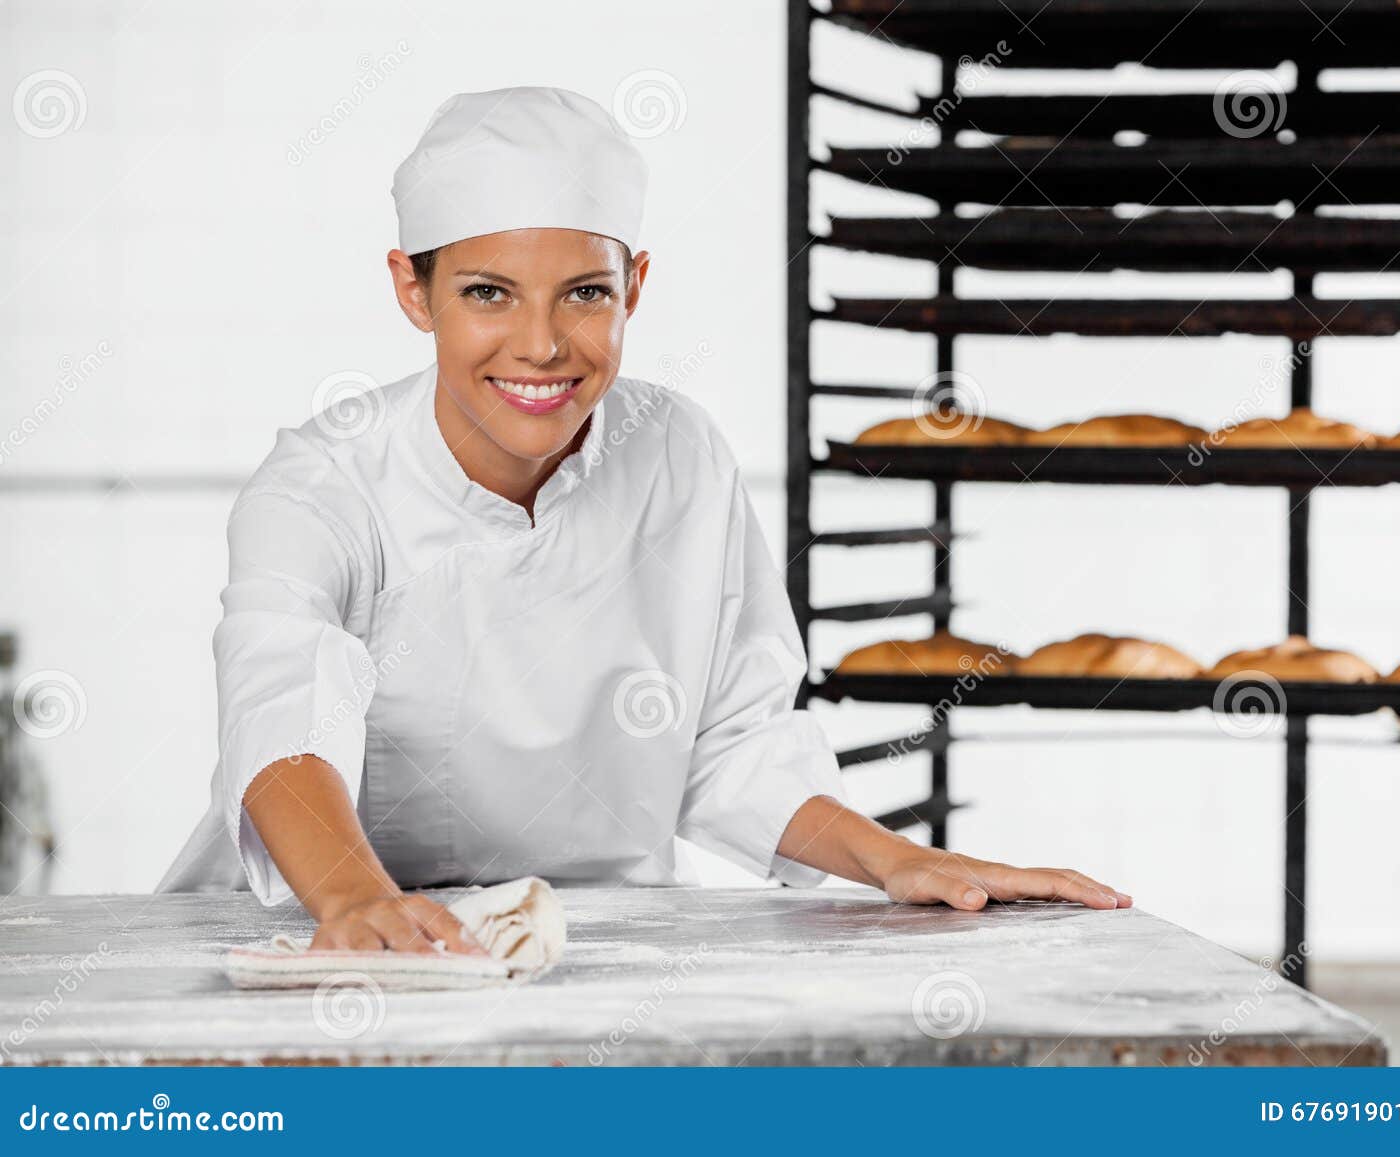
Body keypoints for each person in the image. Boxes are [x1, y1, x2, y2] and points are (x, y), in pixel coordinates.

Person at [158, 86, 1131, 953]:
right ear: (413, 291)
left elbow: (732, 738)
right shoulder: (323, 479)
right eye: (487, 293)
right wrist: (355, 898)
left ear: (636, 286)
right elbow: (282, 695)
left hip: (588, 949)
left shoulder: (678, 454)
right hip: (311, 942)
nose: (540, 345)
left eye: (585, 293)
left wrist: (890, 860)